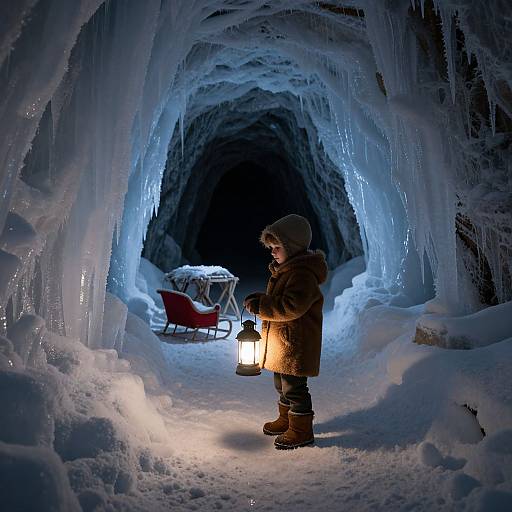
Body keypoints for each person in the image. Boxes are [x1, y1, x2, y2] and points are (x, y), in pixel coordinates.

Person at [243, 214, 327, 449]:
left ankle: (301, 429)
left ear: (293, 247)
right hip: (285, 343)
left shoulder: (302, 275)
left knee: (295, 387)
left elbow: (291, 306)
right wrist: (261, 300)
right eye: (270, 247)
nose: (272, 252)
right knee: (281, 384)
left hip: (296, 344)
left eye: (277, 247)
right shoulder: (286, 270)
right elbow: (279, 300)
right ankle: (286, 419)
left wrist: (264, 306)